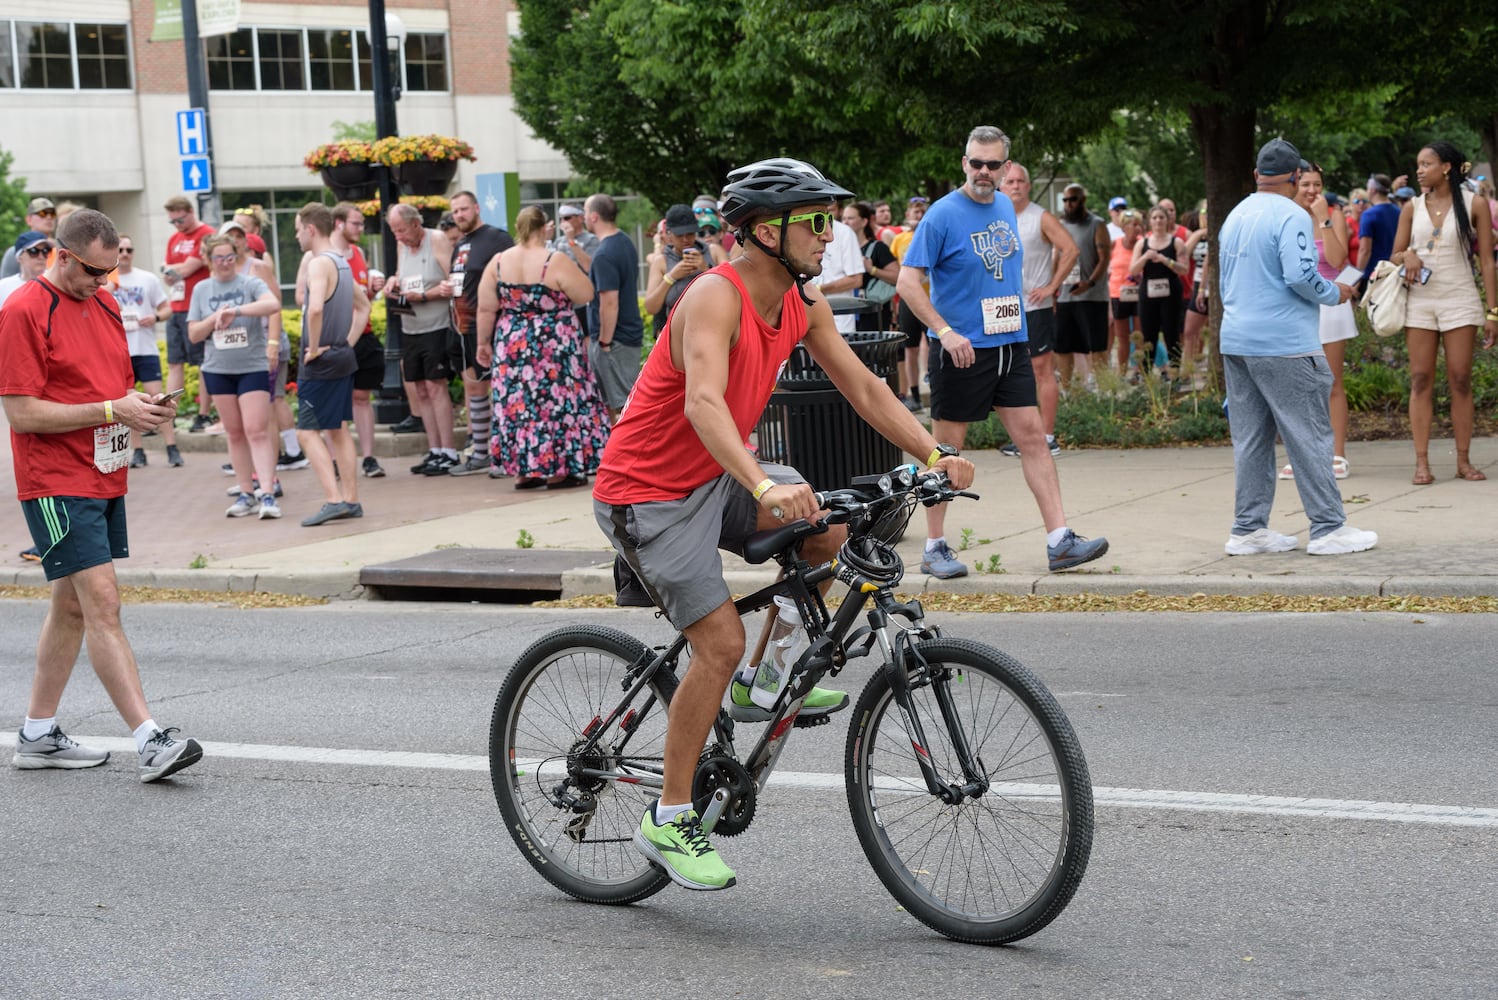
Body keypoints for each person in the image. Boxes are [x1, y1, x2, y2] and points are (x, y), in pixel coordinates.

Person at [592, 157, 974, 891]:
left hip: (716, 474)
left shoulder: (800, 302)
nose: (829, 235)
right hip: (648, 492)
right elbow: (704, 402)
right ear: (767, 231)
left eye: (830, 221)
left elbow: (862, 384)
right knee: (718, 642)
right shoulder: (714, 295)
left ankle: (761, 683)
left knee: (834, 532)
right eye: (815, 222)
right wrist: (765, 483)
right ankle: (669, 817)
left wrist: (933, 450)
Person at [0, 208, 203, 781]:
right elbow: (20, 413)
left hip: (102, 470)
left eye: (111, 272)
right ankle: (150, 738)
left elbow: (106, 387)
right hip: (54, 480)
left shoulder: (107, 302)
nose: (103, 282)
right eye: (93, 271)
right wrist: (114, 409)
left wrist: (140, 405)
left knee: (69, 605)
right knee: (102, 602)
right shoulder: (21, 310)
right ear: (60, 256)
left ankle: (38, 734)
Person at [895, 126, 1109, 579]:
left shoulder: (1005, 208)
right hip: (962, 351)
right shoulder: (941, 215)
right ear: (964, 163)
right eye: (977, 163)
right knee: (944, 452)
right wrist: (945, 332)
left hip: (1011, 342)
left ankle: (1060, 541)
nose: (985, 172)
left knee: (1033, 437)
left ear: (1007, 168)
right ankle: (934, 546)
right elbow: (907, 283)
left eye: (994, 164)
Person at [1216, 138, 1375, 557]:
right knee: (1309, 435)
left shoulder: (1236, 214)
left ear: (1256, 175)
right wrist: (1335, 292)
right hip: (1284, 342)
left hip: (1237, 339)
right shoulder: (1291, 215)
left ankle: (1248, 529)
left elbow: (1223, 280)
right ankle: (1328, 527)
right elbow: (1302, 276)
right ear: (1293, 178)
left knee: (1251, 437)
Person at [476, 206, 608, 489]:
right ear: (544, 227)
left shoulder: (498, 262)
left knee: (519, 405)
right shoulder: (554, 259)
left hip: (512, 341)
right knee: (557, 402)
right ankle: (558, 470)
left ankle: (525, 470)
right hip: (553, 342)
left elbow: (486, 309)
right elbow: (585, 293)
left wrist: (482, 343)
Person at [1390, 141, 1498, 485]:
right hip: (1420, 300)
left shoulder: (1474, 204)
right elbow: (1393, 254)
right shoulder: (1412, 206)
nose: (1419, 170)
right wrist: (1406, 256)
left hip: (1460, 297)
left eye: (1426, 164)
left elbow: (1486, 261)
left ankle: (1463, 461)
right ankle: (1421, 463)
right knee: (1420, 379)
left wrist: (1493, 311)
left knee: (1460, 379)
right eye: (1418, 164)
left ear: (1447, 167)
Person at [187, 235, 284, 520]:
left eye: (230, 257)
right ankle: (245, 493)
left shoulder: (249, 282)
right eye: (220, 258)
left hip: (251, 365)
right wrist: (215, 317)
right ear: (209, 260)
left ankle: (266, 492)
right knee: (234, 432)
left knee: (257, 429)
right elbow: (194, 334)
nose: (226, 263)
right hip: (218, 368)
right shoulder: (202, 289)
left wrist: (236, 311)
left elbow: (273, 304)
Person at [295, 203, 371, 526]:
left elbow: (314, 310)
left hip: (321, 362)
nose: (297, 235)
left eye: (298, 229)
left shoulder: (317, 263)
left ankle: (334, 499)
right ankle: (350, 499)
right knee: (338, 430)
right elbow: (364, 305)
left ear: (311, 229)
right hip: (340, 356)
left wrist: (313, 349)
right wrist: (345, 343)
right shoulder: (342, 261)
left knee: (306, 433)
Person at [1280, 164, 1355, 482]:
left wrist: (1323, 218)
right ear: (1294, 184)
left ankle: (1337, 453)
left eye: (1317, 184)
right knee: (1298, 384)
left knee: (1331, 381)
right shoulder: (1284, 216)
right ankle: (1302, 454)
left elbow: (1338, 260)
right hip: (1296, 306)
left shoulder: (1332, 215)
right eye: (1306, 183)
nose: (1311, 190)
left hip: (1331, 304)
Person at [1001, 161, 1077, 457]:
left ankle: (1047, 436)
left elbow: (1071, 249)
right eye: (1010, 182)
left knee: (1041, 369)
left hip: (1035, 306)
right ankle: (1024, 437)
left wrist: (1051, 286)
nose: (1016, 185)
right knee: (1009, 373)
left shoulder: (1040, 217)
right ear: (1001, 186)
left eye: (1021, 181)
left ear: (1029, 186)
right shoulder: (995, 217)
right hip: (1002, 309)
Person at [382, 203, 458, 474]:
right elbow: (403, 276)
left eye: (401, 230)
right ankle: (434, 449)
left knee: (436, 385)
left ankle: (449, 451)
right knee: (420, 388)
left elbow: (453, 283)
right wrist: (393, 283)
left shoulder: (435, 239)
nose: (398, 236)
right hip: (410, 325)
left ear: (416, 224)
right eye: (394, 231)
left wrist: (425, 295)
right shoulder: (403, 246)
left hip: (435, 325)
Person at [443, 190, 515, 476]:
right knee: (474, 387)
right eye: (455, 212)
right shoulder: (460, 242)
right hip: (462, 325)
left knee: (500, 389)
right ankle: (482, 453)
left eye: (463, 209)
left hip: (491, 323)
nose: (459, 215)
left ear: (476, 208)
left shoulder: (497, 237)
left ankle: (505, 454)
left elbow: (509, 277)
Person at [108, 235, 179, 470]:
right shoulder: (106, 280)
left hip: (145, 348)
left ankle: (172, 447)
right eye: (121, 249)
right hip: (119, 351)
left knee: (157, 399)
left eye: (129, 249)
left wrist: (156, 318)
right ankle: (137, 451)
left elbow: (167, 308)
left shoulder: (146, 278)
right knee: (129, 402)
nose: (125, 253)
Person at [330, 203, 385, 478]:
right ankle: (335, 460)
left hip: (363, 335)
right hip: (337, 338)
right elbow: (305, 298)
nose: (361, 229)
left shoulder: (359, 253)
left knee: (362, 397)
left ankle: (369, 458)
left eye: (362, 224)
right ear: (339, 223)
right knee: (337, 400)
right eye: (356, 224)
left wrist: (371, 292)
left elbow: (362, 299)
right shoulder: (322, 257)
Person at [583, 194, 645, 422]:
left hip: (615, 340)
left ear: (594, 216)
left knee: (620, 406)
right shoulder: (624, 241)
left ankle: (626, 455)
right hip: (628, 334)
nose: (583, 217)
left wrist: (604, 342)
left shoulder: (604, 254)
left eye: (585, 212)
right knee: (624, 401)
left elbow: (609, 302)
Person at [159, 196, 217, 433]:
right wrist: (172, 271)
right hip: (176, 306)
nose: (177, 225)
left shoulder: (205, 233)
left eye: (180, 219)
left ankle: (203, 413)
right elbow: (167, 271)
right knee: (175, 362)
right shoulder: (174, 238)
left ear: (191, 212)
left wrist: (174, 270)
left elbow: (188, 268)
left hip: (198, 308)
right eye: (173, 221)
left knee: (203, 363)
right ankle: (169, 416)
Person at [1055, 183, 1112, 390]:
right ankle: (1067, 390)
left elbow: (1105, 258)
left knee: (1096, 345)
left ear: (1083, 200)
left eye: (1073, 199)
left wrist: (1090, 283)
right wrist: (1053, 288)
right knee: (1063, 346)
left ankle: (1104, 389)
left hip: (1092, 296)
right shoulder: (1060, 225)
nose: (1069, 204)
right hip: (1065, 296)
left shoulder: (1097, 224)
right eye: (1066, 200)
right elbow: (1056, 256)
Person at [644, 204, 730, 338]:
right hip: (678, 336)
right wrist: (671, 277)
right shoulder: (661, 261)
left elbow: (734, 289)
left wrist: (706, 269)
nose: (685, 240)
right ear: (669, 234)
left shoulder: (713, 251)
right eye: (680, 235)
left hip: (714, 330)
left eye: (690, 234)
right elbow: (651, 307)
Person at [1129, 204, 1188, 377]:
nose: (1158, 221)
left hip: (1171, 293)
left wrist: (1165, 260)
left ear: (1167, 220)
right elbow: (1132, 270)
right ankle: (1147, 376)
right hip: (1148, 292)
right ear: (1149, 221)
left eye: (1161, 217)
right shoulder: (1142, 243)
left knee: (1172, 333)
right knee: (1149, 334)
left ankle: (1175, 373)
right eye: (1154, 217)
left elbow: (1184, 269)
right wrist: (1145, 257)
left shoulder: (1176, 242)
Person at [841, 200, 900, 332]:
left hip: (874, 313)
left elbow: (898, 277)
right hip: (846, 312)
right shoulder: (839, 249)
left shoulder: (878, 248)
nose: (845, 222)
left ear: (864, 222)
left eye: (850, 218)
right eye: (843, 218)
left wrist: (872, 270)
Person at [550, 203, 599, 337]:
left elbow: (589, 267)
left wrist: (572, 241)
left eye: (567, 218)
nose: (563, 222)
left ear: (580, 218)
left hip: (583, 301)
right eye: (561, 219)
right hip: (563, 301)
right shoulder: (558, 241)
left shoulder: (592, 240)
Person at [1107, 210, 1144, 374]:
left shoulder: (1143, 244)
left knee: (1139, 336)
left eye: (1138, 224)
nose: (1136, 228)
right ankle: (1122, 374)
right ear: (1123, 227)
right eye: (1132, 224)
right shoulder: (1114, 244)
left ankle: (1141, 372)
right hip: (1118, 294)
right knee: (1122, 338)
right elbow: (1106, 271)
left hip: (1139, 294)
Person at [1355, 174, 1399, 286]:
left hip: (1373, 273)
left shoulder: (1369, 215)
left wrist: (1356, 277)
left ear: (1373, 190)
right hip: (1395, 270)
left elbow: (1365, 250)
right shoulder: (1399, 211)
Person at [0, 197, 57, 279]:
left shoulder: (61, 250)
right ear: (28, 220)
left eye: (52, 213)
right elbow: (7, 286)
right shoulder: (15, 252)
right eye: (42, 213)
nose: (49, 217)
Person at [0, 231, 52, 309]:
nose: (41, 257)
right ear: (19, 257)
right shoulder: (3, 287)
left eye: (45, 251)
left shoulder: (56, 284)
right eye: (34, 251)